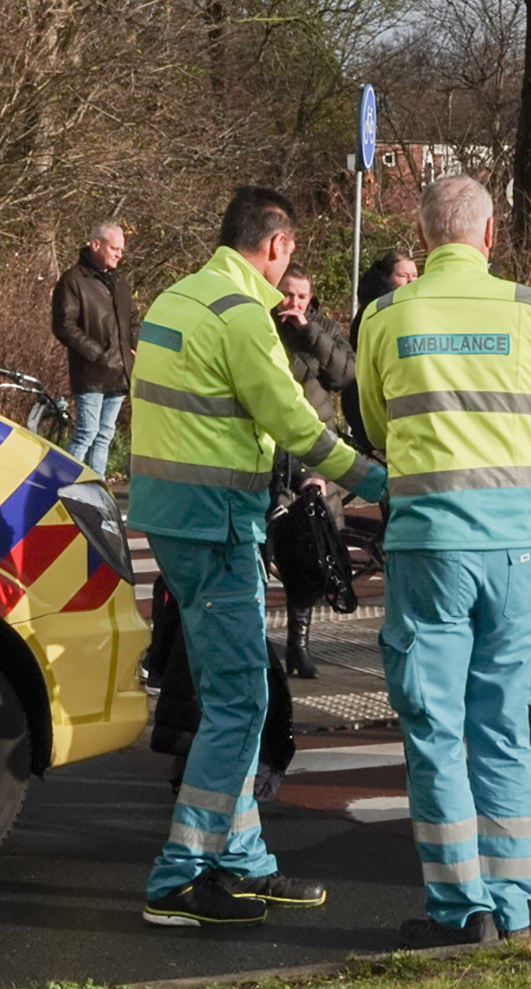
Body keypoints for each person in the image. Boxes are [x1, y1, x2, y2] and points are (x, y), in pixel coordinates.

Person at [129, 186, 386, 928]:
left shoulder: (177, 298)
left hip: (174, 521)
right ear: (276, 245)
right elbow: (297, 425)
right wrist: (378, 482)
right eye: (290, 256)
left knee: (226, 694)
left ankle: (242, 860)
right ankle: (178, 877)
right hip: (216, 527)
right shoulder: (242, 318)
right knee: (243, 697)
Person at [357, 175, 531, 949]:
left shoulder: (386, 316)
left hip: (429, 547)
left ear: (423, 238)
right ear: (490, 237)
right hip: (515, 546)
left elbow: (374, 420)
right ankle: (514, 904)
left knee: (434, 726)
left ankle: (460, 910)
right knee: (502, 729)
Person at [270, 264, 356, 678]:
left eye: (301, 296)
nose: (293, 303)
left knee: (312, 547)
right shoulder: (259, 323)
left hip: (316, 448)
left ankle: (298, 644)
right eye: (287, 294)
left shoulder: (322, 327)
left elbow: (345, 373)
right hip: (270, 448)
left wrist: (309, 331)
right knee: (267, 546)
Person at [51, 220, 140, 476]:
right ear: (96, 244)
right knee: (86, 434)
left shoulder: (119, 282)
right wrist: (97, 355)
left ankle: (95, 492)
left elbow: (133, 319)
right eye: (115, 248)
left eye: (121, 250)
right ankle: (62, 487)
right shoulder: (72, 281)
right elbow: (64, 326)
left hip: (119, 372)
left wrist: (133, 346)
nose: (119, 254)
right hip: (90, 373)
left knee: (104, 436)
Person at [342, 249, 419, 455]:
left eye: (415, 276)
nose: (411, 282)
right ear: (387, 278)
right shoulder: (375, 312)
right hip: (368, 402)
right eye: (403, 276)